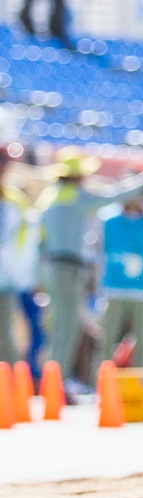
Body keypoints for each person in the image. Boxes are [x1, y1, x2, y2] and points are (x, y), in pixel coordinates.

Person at [36, 147, 143, 393]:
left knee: (58, 326)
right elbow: (114, 195)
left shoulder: (50, 196)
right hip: (69, 266)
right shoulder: (75, 196)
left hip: (51, 265)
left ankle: (52, 381)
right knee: (67, 328)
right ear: (75, 176)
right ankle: (56, 385)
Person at [94, 178, 143, 370]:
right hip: (113, 287)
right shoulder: (108, 220)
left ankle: (142, 381)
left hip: (141, 290)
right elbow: (101, 251)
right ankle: (100, 381)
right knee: (107, 337)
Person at [0, 149, 36, 366]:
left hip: (6, 280)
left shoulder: (15, 201)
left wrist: (22, 276)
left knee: (5, 336)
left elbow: (24, 242)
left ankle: (11, 388)